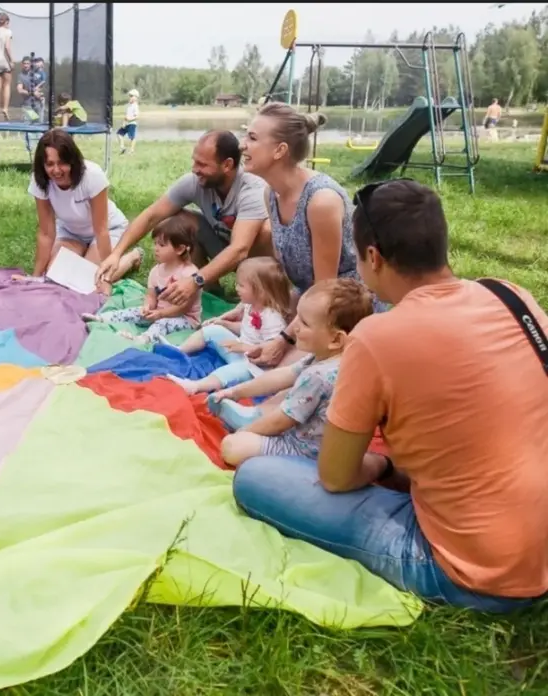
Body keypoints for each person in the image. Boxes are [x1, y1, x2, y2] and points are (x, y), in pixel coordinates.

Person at [232, 179, 548, 611]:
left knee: (255, 477)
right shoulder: (511, 296)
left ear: (373, 257)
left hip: (473, 573)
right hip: (534, 537)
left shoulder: (376, 337)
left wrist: (382, 463)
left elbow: (337, 477)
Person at [238, 101, 387, 370]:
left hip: (347, 310)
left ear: (280, 150)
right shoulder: (270, 193)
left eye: (251, 138)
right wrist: (251, 307)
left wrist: (283, 339)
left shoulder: (321, 201)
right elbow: (297, 280)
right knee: (249, 344)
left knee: (284, 371)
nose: (242, 145)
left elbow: (326, 291)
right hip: (312, 302)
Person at [96, 130, 271, 303]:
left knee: (266, 230)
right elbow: (152, 215)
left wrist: (195, 280)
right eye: (194, 162)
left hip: (252, 258)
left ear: (227, 165)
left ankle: (262, 290)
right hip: (223, 246)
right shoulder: (195, 182)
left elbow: (239, 249)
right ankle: (212, 292)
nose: (195, 170)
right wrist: (116, 254)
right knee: (180, 220)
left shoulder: (252, 189)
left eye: (202, 165)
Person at [215, 278, 374, 465]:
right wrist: (236, 392)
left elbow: (281, 421)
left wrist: (246, 432)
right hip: (322, 443)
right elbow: (283, 375)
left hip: (304, 452)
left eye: (305, 323)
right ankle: (247, 419)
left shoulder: (318, 376)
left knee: (232, 446)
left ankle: (248, 427)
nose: (295, 326)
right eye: (297, 316)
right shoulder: (333, 359)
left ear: (336, 340)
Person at [15, 129, 141, 292]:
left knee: (89, 280)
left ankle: (131, 257)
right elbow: (46, 233)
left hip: (108, 230)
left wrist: (104, 275)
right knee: (53, 277)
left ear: (72, 160)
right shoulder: (40, 180)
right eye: (50, 164)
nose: (56, 170)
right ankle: (83, 258)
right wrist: (36, 277)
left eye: (62, 163)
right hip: (70, 232)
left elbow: (101, 230)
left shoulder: (92, 175)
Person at [166, 256, 295, 395]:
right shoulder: (249, 306)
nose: (236, 288)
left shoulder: (272, 318)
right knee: (212, 330)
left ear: (260, 291)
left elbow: (271, 353)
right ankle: (179, 350)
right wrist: (224, 324)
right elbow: (247, 329)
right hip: (241, 350)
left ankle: (195, 386)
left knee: (230, 372)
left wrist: (244, 347)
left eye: (241, 285)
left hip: (255, 367)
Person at [82, 212, 201, 345]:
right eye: (155, 243)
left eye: (161, 245)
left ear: (180, 249)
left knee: (162, 324)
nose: (155, 249)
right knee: (135, 312)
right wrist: (147, 306)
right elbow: (151, 295)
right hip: (158, 312)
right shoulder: (156, 271)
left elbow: (183, 308)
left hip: (184, 319)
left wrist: (161, 314)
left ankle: (143, 339)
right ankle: (103, 318)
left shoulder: (189, 275)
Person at [16, 55, 46, 154]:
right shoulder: (21, 76)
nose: (26, 65)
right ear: (21, 65)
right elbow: (20, 90)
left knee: (40, 126)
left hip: (38, 104)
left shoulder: (37, 73)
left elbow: (43, 83)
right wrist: (32, 92)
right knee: (29, 127)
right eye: (24, 63)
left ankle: (41, 149)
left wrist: (39, 93)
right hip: (27, 105)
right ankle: (30, 150)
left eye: (28, 63)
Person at [118, 89, 140, 155]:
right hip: (127, 123)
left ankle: (132, 150)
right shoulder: (129, 106)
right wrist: (124, 122)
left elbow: (137, 117)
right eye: (129, 96)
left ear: (135, 97)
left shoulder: (135, 106)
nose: (130, 97)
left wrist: (129, 120)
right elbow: (126, 116)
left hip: (132, 124)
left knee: (132, 137)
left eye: (131, 96)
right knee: (119, 134)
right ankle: (122, 148)